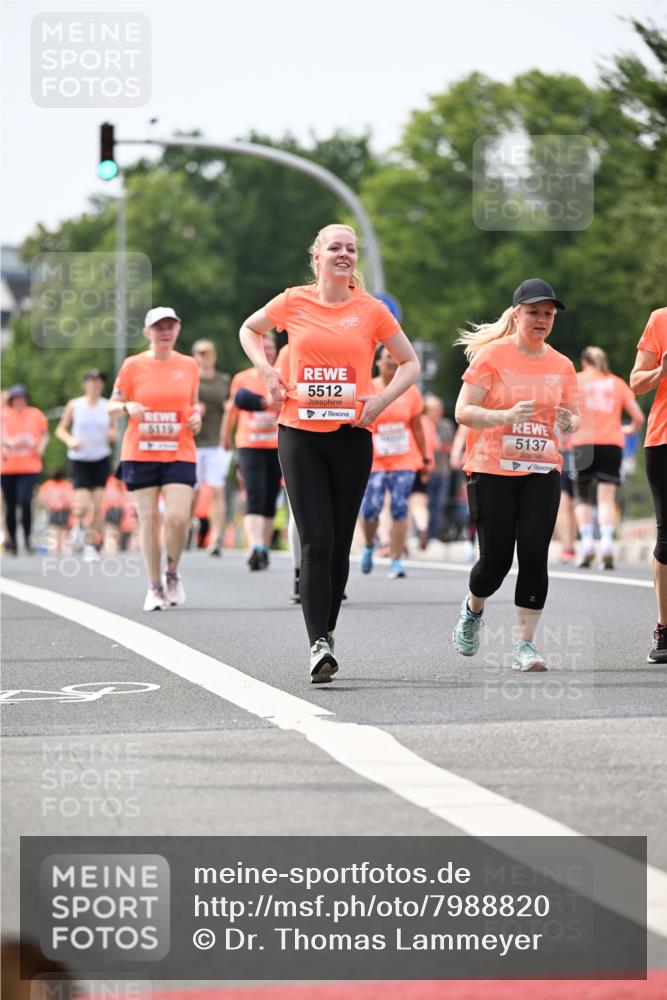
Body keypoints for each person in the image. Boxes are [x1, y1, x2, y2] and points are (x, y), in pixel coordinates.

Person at [239, 223, 420, 682]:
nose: (344, 254)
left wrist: (380, 400)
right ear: (316, 257)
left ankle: (329, 629)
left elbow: (410, 363)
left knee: (340, 543)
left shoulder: (371, 310)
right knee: (315, 537)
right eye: (334, 248)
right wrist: (264, 369)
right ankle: (317, 643)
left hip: (350, 434)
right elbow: (249, 328)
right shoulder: (293, 301)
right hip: (299, 433)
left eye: (351, 249)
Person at [451, 278, 580, 672]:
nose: (542, 319)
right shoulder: (492, 357)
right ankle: (473, 610)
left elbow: (573, 416)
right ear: (517, 313)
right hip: (492, 468)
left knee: (535, 553)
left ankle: (525, 645)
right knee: (495, 564)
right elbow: (463, 411)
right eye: (534, 312)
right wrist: (503, 417)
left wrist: (568, 421)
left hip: (541, 467)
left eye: (548, 313)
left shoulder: (562, 365)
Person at [108, 307, 201, 610]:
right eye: (158, 327)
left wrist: (196, 417)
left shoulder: (189, 365)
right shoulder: (133, 365)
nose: (165, 332)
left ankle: (172, 572)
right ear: (148, 332)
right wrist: (127, 407)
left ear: (178, 329)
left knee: (177, 518)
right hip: (141, 450)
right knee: (148, 519)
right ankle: (153, 586)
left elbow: (193, 404)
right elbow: (112, 405)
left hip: (179, 449)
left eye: (170, 326)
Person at [568, 346, 644, 570]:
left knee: (582, 497)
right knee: (606, 498)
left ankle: (588, 543)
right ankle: (608, 544)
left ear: (584, 362)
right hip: (611, 443)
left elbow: (564, 412)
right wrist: (629, 429)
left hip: (583, 443)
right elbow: (638, 417)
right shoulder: (617, 383)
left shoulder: (576, 381)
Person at [359, 346, 429, 578]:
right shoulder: (367, 388)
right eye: (387, 357)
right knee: (371, 509)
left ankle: (396, 559)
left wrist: (425, 457)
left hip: (404, 459)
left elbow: (417, 428)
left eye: (395, 357)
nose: (392, 361)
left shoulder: (409, 391)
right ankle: (370, 545)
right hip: (375, 461)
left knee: (400, 507)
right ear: (377, 362)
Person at [222, 334, 282, 570]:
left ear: (276, 351)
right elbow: (232, 409)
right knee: (255, 492)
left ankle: (264, 547)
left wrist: (267, 402)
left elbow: (287, 402)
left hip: (277, 444)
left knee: (270, 496)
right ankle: (255, 546)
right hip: (248, 444)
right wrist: (225, 436)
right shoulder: (242, 379)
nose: (267, 352)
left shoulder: (282, 376)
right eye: (262, 348)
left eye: (270, 348)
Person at [630, 306, 667, 663]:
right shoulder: (661, 320)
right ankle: (664, 627)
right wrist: (661, 371)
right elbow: (636, 381)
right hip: (664, 439)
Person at [55, 369, 116, 562]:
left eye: (98, 382)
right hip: (80, 458)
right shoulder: (75, 405)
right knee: (82, 504)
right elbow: (60, 430)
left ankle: (91, 545)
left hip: (100, 458)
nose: (95, 385)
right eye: (91, 381)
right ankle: (78, 524)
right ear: (85, 384)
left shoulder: (108, 406)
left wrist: (112, 435)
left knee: (98, 504)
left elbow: (114, 430)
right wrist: (71, 440)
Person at [191, 339, 232, 556]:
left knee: (217, 489)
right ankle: (187, 529)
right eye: (201, 354)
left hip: (217, 442)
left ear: (214, 356)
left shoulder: (223, 380)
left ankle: (216, 538)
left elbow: (231, 405)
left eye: (208, 354)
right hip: (194, 443)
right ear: (196, 357)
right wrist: (193, 409)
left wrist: (229, 408)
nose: (205, 358)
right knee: (192, 491)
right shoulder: (191, 380)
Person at [0, 385, 49, 554]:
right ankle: (12, 540)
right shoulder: (4, 415)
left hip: (30, 467)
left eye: (22, 398)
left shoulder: (35, 414)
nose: (19, 402)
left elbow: (44, 434)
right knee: (10, 505)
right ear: (11, 401)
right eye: (16, 399)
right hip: (8, 468)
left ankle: (27, 538)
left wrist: (42, 446)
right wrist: (4, 446)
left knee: (25, 501)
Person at [424, 394, 455, 543]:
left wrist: (439, 446)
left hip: (443, 471)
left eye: (437, 409)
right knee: (425, 503)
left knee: (439, 504)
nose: (436, 412)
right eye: (432, 409)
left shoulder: (446, 425)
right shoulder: (422, 424)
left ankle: (434, 535)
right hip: (427, 470)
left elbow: (452, 446)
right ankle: (423, 534)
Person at [38, 468, 74, 554]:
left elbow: (42, 498)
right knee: (62, 529)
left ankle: (56, 548)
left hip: (56, 509)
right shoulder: (66, 485)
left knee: (56, 529)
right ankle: (61, 547)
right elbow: (70, 498)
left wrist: (47, 505)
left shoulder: (47, 485)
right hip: (61, 509)